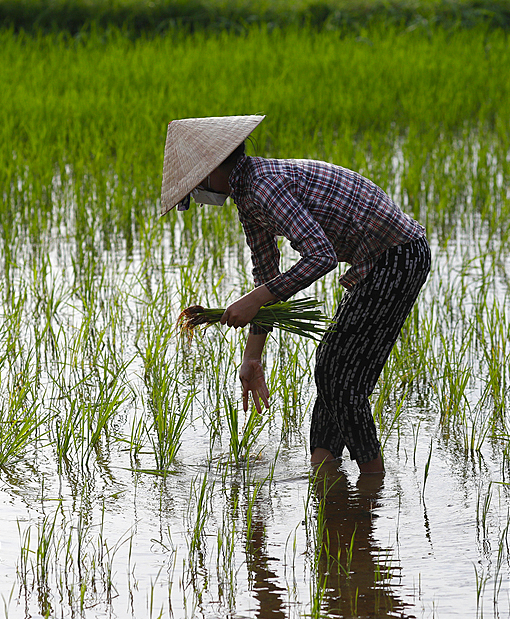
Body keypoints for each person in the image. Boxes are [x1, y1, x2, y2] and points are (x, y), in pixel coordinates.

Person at [158, 115, 429, 474]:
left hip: (397, 256)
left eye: (196, 185)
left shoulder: (263, 186)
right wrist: (252, 358)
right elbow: (267, 275)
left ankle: (371, 480)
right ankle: (325, 472)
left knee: (337, 374)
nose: (197, 194)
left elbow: (321, 255)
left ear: (213, 170)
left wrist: (253, 300)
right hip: (376, 259)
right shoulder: (248, 195)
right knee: (334, 371)